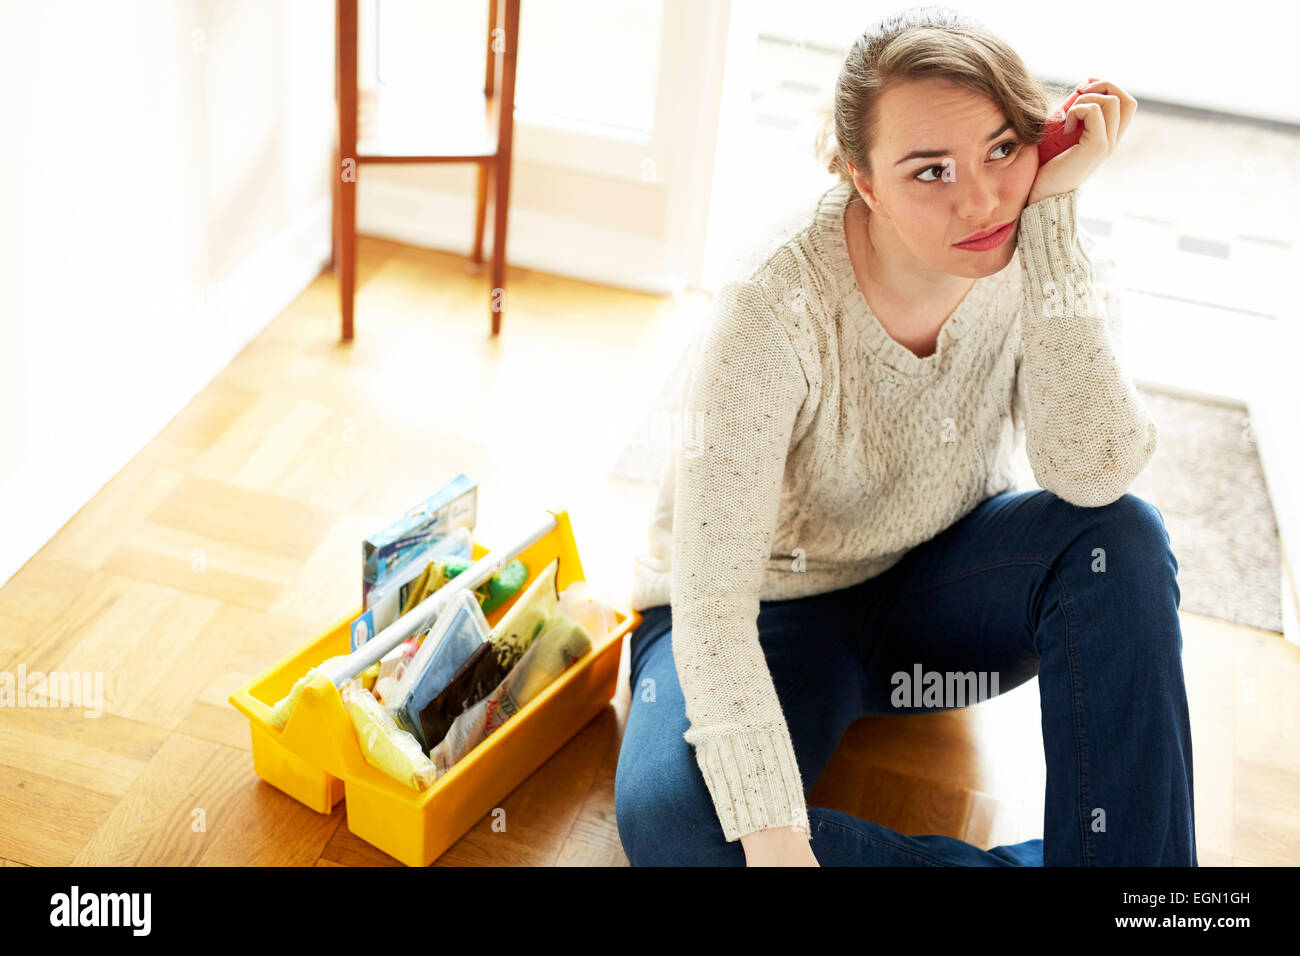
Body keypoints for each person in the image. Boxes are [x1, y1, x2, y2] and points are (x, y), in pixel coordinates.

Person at [615, 4, 1197, 867]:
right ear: (862, 176)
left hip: (938, 599)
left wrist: (1057, 218)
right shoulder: (772, 302)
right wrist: (774, 847)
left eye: (1004, 148)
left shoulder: (1034, 236)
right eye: (929, 171)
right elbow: (712, 607)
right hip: (769, 615)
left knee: (1123, 540)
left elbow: (1094, 472)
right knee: (681, 831)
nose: (982, 198)